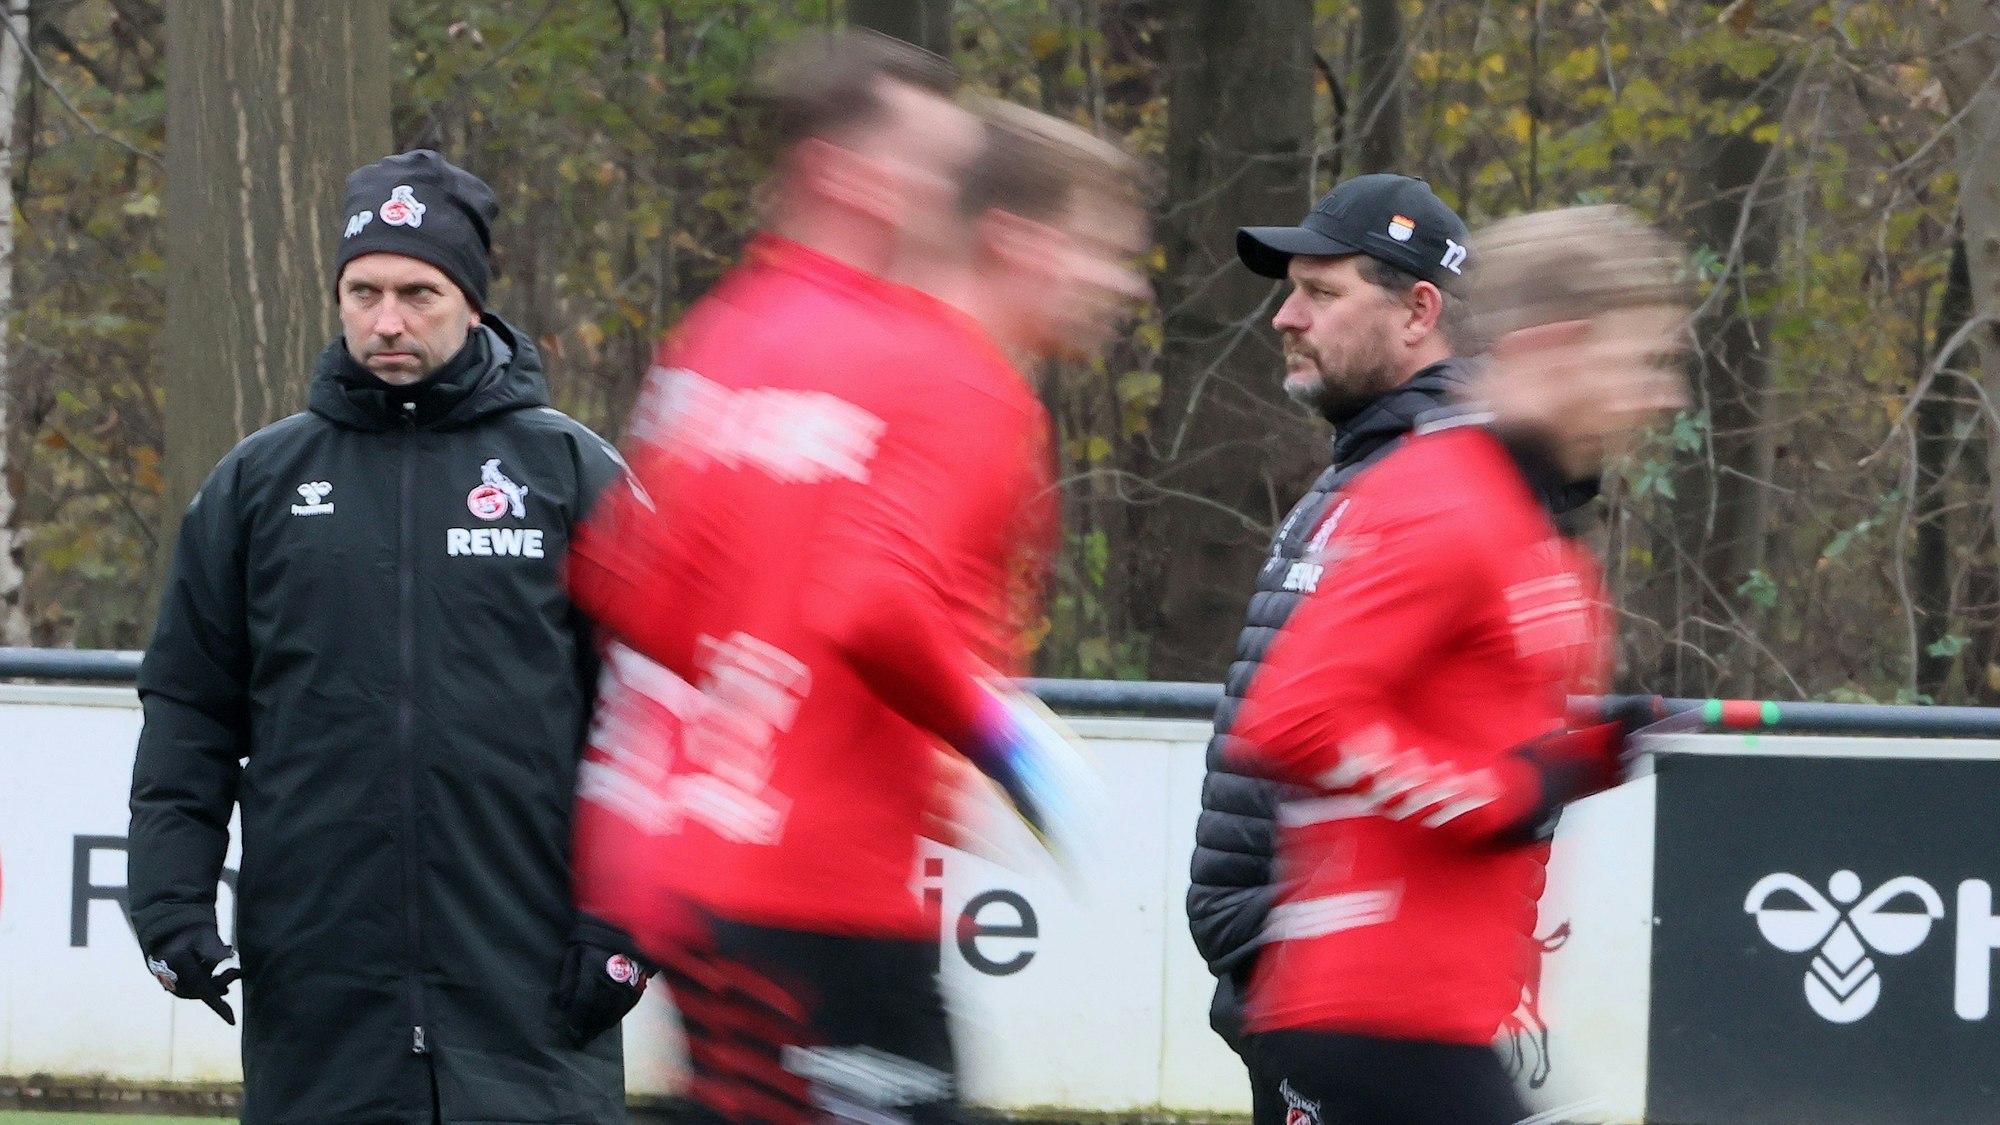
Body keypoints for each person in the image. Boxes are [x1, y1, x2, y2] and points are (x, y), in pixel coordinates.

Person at [563, 34, 1150, 1125]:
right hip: (820, 884)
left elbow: (625, 584)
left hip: (683, 859)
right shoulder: (939, 376)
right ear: (850, 170)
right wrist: (1009, 744)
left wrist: (752, 703)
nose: (947, 190)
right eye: (931, 162)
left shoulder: (726, 338)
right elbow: (865, 603)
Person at [128, 150, 646, 1125]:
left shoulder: (574, 477)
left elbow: (653, 721)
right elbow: (190, 711)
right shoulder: (258, 486)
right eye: (362, 291)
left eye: (419, 290)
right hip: (322, 1001)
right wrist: (168, 905)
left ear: (473, 300)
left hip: (527, 995)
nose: (388, 320)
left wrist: (622, 925)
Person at [1227, 204, 1688, 1125]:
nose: (1661, 394)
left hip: (1448, 1013)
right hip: (1373, 1013)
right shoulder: (1444, 499)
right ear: (1558, 347)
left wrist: (1587, 752)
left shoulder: (1537, 524)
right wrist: (1499, 793)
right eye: (1642, 360)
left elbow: (1473, 731)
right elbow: (1290, 717)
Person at [1184, 173, 1481, 1125]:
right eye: (1290, 290)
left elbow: (1474, 761)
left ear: (1417, 310)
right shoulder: (1364, 469)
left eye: (1322, 291)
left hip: (1356, 1007)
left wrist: (1330, 956)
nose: (1285, 316)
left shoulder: (1447, 482)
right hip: (1291, 993)